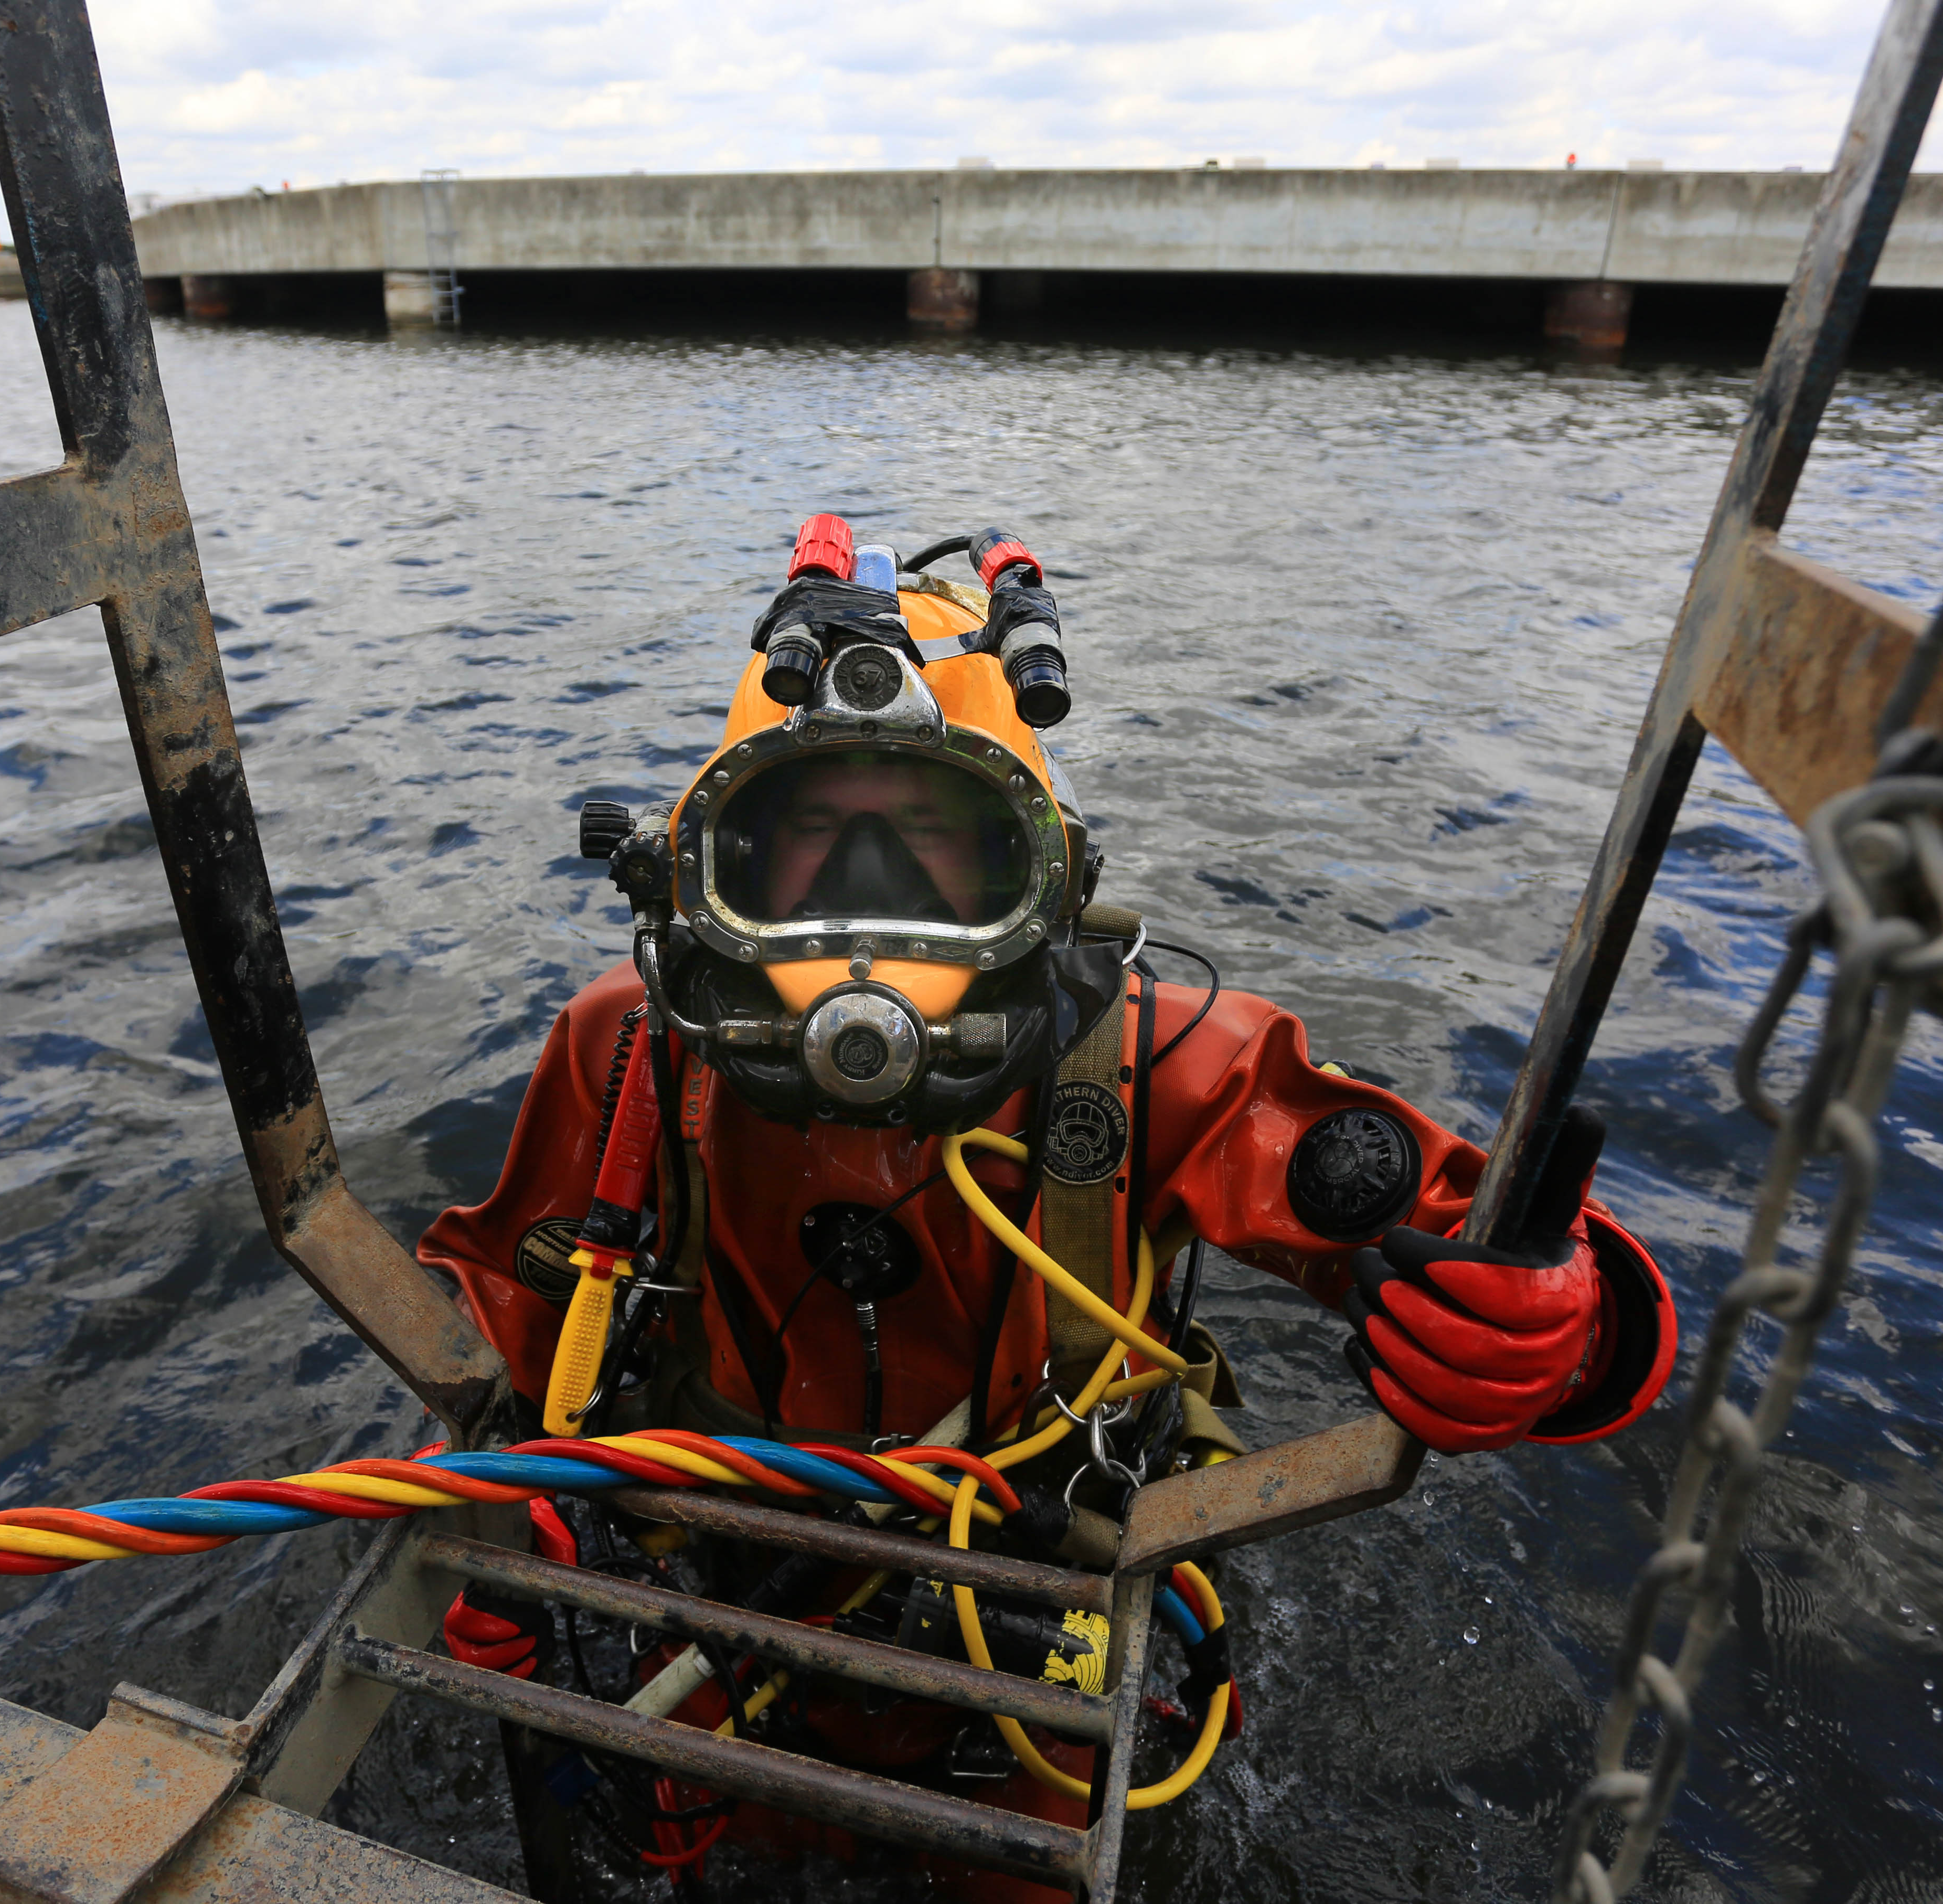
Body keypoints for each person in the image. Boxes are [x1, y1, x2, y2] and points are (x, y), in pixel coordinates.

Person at [414, 519, 1674, 1883]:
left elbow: (1458, 1231)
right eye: (803, 853)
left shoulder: (1144, 1055)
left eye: (936, 858)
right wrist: (458, 1513)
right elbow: (491, 1311)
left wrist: (1556, 1323)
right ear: (702, 884)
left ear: (1041, 889)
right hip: (716, 1605)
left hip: (1038, 1604)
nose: (866, 930)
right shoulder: (631, 1048)